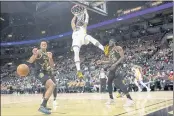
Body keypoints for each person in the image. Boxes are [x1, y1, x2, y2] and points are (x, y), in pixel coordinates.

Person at [97, 39, 134, 106]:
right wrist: (102, 62)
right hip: (112, 68)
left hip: (118, 66)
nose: (109, 43)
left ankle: (130, 99)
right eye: (109, 42)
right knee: (109, 82)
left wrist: (115, 64)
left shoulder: (118, 48)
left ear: (114, 42)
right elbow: (110, 61)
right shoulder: (110, 51)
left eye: (111, 41)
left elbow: (122, 57)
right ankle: (111, 99)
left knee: (119, 82)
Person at [71, 8, 105, 78]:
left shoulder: (84, 26)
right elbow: (72, 21)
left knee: (89, 37)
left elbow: (87, 17)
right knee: (76, 51)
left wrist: (86, 11)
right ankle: (79, 71)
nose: (80, 22)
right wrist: (75, 15)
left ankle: (104, 49)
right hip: (76, 41)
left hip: (84, 38)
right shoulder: (74, 28)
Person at [26, 41, 55, 114]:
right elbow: (30, 60)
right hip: (39, 72)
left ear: (47, 45)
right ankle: (42, 106)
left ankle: (44, 105)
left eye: (45, 44)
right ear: (40, 45)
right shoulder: (38, 52)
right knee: (52, 85)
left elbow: (52, 66)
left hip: (45, 72)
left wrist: (50, 58)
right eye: (42, 44)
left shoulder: (48, 54)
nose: (44, 45)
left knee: (49, 87)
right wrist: (34, 55)